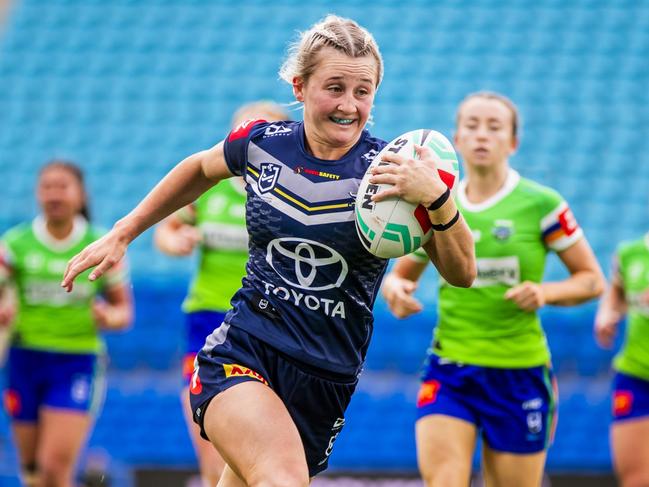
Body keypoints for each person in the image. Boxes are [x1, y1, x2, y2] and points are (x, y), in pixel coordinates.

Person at [61, 15, 475, 486]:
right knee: (281, 479)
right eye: (334, 87)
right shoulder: (262, 144)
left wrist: (438, 198)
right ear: (299, 87)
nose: (348, 105)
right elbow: (200, 167)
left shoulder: (394, 174)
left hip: (327, 377)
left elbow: (462, 273)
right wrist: (124, 231)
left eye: (363, 91)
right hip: (245, 349)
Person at [382, 92, 605, 487]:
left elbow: (591, 280)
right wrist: (397, 290)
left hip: (520, 372)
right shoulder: (437, 206)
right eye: (471, 125)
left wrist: (544, 293)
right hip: (451, 369)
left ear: (513, 142)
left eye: (494, 126)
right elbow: (403, 275)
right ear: (456, 138)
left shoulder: (541, 204)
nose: (481, 135)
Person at [153, 100, 290, 487]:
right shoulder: (210, 189)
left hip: (267, 322)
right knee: (211, 449)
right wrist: (174, 240)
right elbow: (166, 231)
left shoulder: (288, 198)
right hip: (208, 318)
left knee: (257, 458)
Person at [0, 160, 133, 487]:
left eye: (62, 186)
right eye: (47, 187)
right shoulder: (15, 245)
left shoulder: (101, 245)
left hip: (75, 361)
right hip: (25, 359)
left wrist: (107, 316)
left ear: (80, 194)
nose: (54, 194)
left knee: (54, 469)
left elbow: (124, 313)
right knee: (32, 471)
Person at [595, 233, 649, 487]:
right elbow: (617, 290)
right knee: (636, 479)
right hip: (636, 375)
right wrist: (607, 314)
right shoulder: (631, 253)